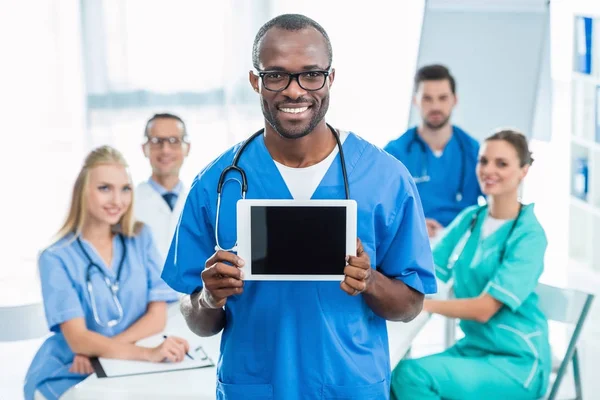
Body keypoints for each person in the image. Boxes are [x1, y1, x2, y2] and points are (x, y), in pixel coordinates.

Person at [161, 13, 437, 400]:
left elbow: (410, 305)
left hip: (349, 386)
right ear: (256, 80)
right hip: (254, 386)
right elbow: (200, 321)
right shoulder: (216, 184)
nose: (294, 91)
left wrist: (370, 281)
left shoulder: (386, 178)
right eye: (276, 75)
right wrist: (209, 297)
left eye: (311, 74)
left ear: (330, 78)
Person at [390, 130, 551, 400]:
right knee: (392, 375)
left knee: (410, 377)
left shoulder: (529, 235)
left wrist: (420, 305)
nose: (489, 170)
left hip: (516, 362)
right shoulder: (471, 219)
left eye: (502, 164)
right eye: (483, 161)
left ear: (524, 170)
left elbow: (484, 309)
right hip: (475, 349)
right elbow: (425, 268)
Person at [24, 146, 189, 400]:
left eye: (125, 189)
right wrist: (149, 353)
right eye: (105, 188)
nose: (117, 200)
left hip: (118, 362)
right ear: (82, 192)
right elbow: (78, 339)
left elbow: (157, 317)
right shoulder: (56, 257)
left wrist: (101, 351)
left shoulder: (140, 238)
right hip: (72, 369)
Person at [384, 65, 482, 239]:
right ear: (416, 101)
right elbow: (379, 206)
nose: (435, 106)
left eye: (443, 98)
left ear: (454, 100)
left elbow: (497, 202)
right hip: (411, 242)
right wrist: (413, 224)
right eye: (427, 99)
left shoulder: (473, 151)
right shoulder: (395, 153)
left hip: (461, 244)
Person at [135, 113, 190, 261]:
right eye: (156, 141)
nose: (165, 150)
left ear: (187, 148)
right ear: (144, 148)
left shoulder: (199, 201)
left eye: (174, 141)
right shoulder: (128, 203)